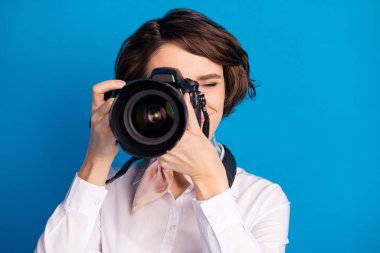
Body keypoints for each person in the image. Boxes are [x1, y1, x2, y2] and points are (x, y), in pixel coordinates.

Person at [35, 8, 290, 253]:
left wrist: (209, 178)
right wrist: (96, 159)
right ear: (137, 94)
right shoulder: (105, 191)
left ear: (228, 91)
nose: (188, 102)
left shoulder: (263, 200)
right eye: (172, 88)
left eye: (208, 84)